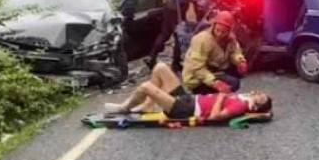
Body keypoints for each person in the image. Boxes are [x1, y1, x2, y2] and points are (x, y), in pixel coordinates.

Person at [103, 62, 271, 122]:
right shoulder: (242, 98)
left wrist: (221, 97)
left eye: (260, 97)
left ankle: (123, 108)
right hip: (188, 99)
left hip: (185, 109)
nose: (257, 93)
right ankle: (148, 104)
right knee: (161, 67)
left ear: (255, 106)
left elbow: (214, 117)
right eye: (260, 93)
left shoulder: (241, 106)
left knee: (146, 87)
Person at [146, 0, 217, 70]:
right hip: (176, 8)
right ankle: (175, 63)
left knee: (165, 33)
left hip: (170, 3)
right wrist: (201, 11)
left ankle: (152, 58)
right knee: (180, 35)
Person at [181, 10, 248, 94]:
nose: (220, 34)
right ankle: (212, 97)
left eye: (224, 32)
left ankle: (220, 92)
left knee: (238, 71)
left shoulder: (231, 38)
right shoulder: (202, 40)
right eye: (218, 30)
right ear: (213, 26)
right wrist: (215, 83)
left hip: (215, 69)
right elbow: (197, 68)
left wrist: (240, 61)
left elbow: (235, 52)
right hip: (196, 79)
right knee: (234, 83)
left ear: (229, 30)